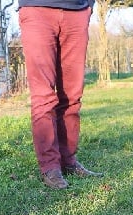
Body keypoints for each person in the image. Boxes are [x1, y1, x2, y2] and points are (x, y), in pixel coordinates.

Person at [18, 0, 102, 189]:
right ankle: (50, 166)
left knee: (73, 95)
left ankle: (68, 160)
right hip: (37, 9)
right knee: (43, 96)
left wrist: (88, 5)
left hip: (77, 12)